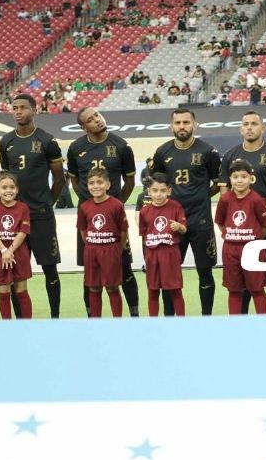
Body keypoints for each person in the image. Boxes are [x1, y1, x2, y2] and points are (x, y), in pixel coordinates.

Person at [65, 105, 139, 316]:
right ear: (83, 127)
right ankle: (92, 317)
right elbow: (75, 180)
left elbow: (130, 181)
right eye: (90, 119)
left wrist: (114, 206)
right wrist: (90, 205)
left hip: (114, 219)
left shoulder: (121, 146)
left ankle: (134, 315)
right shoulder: (75, 148)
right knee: (91, 273)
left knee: (124, 268)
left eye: (97, 115)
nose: (97, 119)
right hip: (88, 219)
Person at [150, 106, 222, 316]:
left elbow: (218, 183)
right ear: (171, 126)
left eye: (186, 122)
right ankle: (170, 318)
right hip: (171, 223)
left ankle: (206, 317)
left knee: (205, 272)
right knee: (169, 274)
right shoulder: (163, 152)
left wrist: (201, 196)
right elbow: (157, 186)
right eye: (178, 123)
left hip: (201, 222)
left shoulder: (208, 151)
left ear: (194, 124)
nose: (182, 126)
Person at [0, 93, 65, 318]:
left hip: (41, 216)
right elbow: (6, 180)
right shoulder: (6, 141)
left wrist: (48, 203)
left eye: (23, 108)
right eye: (15, 107)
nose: (18, 111)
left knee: (50, 269)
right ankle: (21, 321)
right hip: (15, 219)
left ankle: (54, 316)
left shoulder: (48, 141)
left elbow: (59, 179)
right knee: (16, 272)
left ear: (34, 110)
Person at [219, 111, 266, 313]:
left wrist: (258, 214)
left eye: (254, 124)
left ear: (262, 128)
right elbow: (224, 191)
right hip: (239, 230)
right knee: (243, 277)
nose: (250, 127)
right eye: (246, 124)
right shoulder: (230, 156)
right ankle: (243, 319)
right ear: (241, 128)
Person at [214, 159, 266, 315]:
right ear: (230, 179)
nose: (239, 180)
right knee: (234, 290)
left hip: (253, 249)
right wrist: (233, 235)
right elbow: (220, 222)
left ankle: (263, 325)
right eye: (235, 176)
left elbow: (265, 225)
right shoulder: (225, 199)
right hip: (231, 250)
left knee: (257, 289)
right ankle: (236, 326)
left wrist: (252, 238)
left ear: (251, 178)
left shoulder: (257, 200)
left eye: (244, 176)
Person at [0, 171, 33, 320]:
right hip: (0, 253)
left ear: (17, 190)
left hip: (19, 252)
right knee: (3, 291)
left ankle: (28, 324)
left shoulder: (23, 208)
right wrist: (3, 250)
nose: (8, 190)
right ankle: (6, 325)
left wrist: (10, 251)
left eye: (12, 187)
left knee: (21, 290)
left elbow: (23, 232)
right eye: (4, 187)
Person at [76, 170, 128, 317]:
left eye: (99, 182)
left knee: (112, 287)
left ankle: (117, 321)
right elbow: (82, 228)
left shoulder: (116, 205)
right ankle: (97, 322)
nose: (95, 186)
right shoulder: (84, 206)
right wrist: (90, 244)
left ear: (108, 184)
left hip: (111, 250)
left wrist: (118, 249)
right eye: (91, 183)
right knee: (94, 288)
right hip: (92, 251)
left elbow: (123, 230)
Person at [138, 172, 187, 317]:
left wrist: (179, 227)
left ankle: (182, 321)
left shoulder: (175, 207)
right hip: (152, 255)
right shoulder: (145, 210)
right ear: (149, 191)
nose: (158, 194)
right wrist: (147, 256)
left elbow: (184, 229)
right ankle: (153, 322)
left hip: (170, 253)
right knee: (152, 290)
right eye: (155, 190)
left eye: (162, 191)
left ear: (169, 191)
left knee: (175, 289)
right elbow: (144, 235)